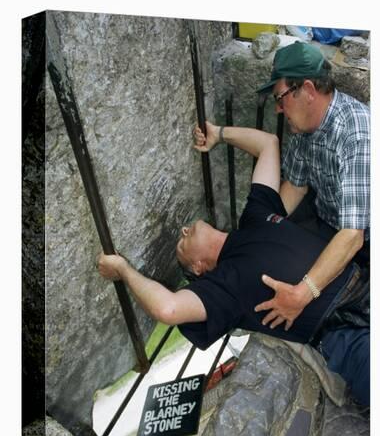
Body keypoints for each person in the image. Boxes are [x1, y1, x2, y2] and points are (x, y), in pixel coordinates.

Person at [97, 127, 369, 405]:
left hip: (366, 281)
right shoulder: (222, 287)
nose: (183, 230)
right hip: (344, 334)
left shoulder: (255, 215)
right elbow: (168, 308)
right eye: (181, 246)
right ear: (200, 267)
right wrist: (123, 269)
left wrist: (219, 134)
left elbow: (268, 144)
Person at [195, 41, 370, 333]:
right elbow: (296, 187)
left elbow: (353, 235)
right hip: (330, 225)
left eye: (281, 97)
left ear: (309, 91)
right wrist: (260, 231)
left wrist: (302, 294)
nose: (278, 109)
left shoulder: (358, 135)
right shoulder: (305, 131)